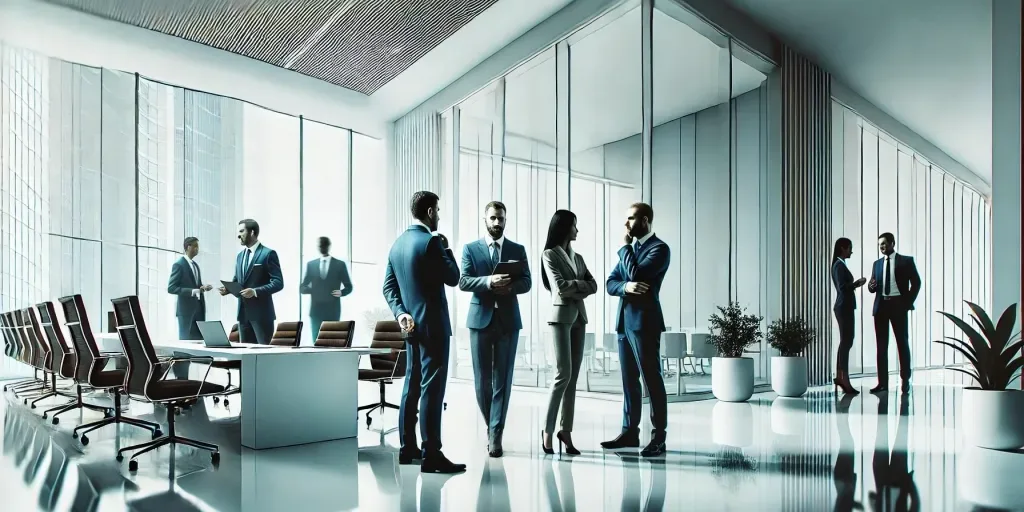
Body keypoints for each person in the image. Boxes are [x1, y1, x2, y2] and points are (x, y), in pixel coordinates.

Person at [382, 191, 464, 473]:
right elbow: (453, 277)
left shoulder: (397, 245)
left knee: (411, 385)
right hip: (434, 328)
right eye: (438, 211)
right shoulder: (431, 241)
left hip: (411, 329)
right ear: (429, 212)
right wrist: (447, 248)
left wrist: (402, 313)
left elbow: (388, 288)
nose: (439, 216)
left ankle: (408, 449)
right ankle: (432, 454)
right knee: (431, 389)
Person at [457, 201, 531, 458]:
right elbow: (463, 281)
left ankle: (495, 435)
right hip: (480, 320)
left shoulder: (517, 249)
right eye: (493, 218)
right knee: (482, 383)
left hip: (509, 322)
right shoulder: (470, 249)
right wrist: (489, 282)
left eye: (501, 218)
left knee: (503, 381)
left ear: (505, 220)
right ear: (485, 220)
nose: (497, 223)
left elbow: (527, 282)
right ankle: (492, 426)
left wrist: (508, 287)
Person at [602, 202, 670, 457]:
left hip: (644, 323)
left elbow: (636, 273)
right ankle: (630, 432)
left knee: (652, 380)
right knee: (629, 381)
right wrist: (626, 288)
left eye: (631, 219)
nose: (626, 224)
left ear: (645, 220)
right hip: (624, 323)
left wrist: (624, 249)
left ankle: (658, 438)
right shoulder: (632, 250)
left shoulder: (659, 249)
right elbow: (611, 283)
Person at [539, 210, 597, 456]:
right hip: (561, 318)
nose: (577, 230)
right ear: (564, 228)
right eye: (575, 225)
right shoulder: (549, 255)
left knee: (573, 378)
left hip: (579, 319)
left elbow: (594, 285)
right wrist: (579, 287)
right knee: (562, 374)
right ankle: (547, 430)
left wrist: (578, 287)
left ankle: (566, 431)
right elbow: (560, 289)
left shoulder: (579, 258)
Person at [866, 232, 921, 394]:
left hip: (898, 306)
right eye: (879, 245)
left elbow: (917, 283)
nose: (881, 247)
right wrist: (871, 286)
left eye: (883, 243)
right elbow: (872, 286)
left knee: (902, 343)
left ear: (892, 243)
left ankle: (905, 380)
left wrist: (907, 302)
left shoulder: (906, 261)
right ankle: (882, 383)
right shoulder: (877, 264)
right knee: (881, 346)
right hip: (881, 307)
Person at [218, 219, 283, 345]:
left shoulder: (268, 254)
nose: (238, 235)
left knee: (264, 356)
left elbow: (278, 283)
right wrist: (229, 290)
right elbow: (237, 281)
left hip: (262, 316)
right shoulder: (240, 256)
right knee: (246, 356)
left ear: (252, 232)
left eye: (242, 231)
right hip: (243, 316)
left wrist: (255, 291)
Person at [167, 236, 212, 379]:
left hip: (198, 309)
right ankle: (181, 379)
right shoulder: (179, 265)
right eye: (195, 246)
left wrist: (201, 288)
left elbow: (195, 285)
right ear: (187, 247)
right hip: (186, 311)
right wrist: (193, 291)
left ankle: (193, 381)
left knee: (196, 345)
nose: (197, 249)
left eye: (198, 246)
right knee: (184, 345)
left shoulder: (195, 265)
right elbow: (171, 288)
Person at [300, 236, 353, 342]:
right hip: (316, 311)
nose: (321, 247)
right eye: (319, 245)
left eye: (323, 245)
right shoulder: (311, 265)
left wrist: (342, 292)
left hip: (332, 310)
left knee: (332, 342)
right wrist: (314, 290)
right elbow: (302, 288)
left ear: (328, 246)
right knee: (316, 342)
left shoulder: (339, 265)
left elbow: (349, 287)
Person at [831, 237, 865, 395]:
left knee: (846, 341)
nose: (851, 251)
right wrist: (857, 283)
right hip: (843, 306)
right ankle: (842, 378)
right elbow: (842, 287)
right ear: (843, 248)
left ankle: (841, 377)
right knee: (846, 341)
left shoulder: (840, 264)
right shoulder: (838, 265)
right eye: (850, 248)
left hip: (845, 306)